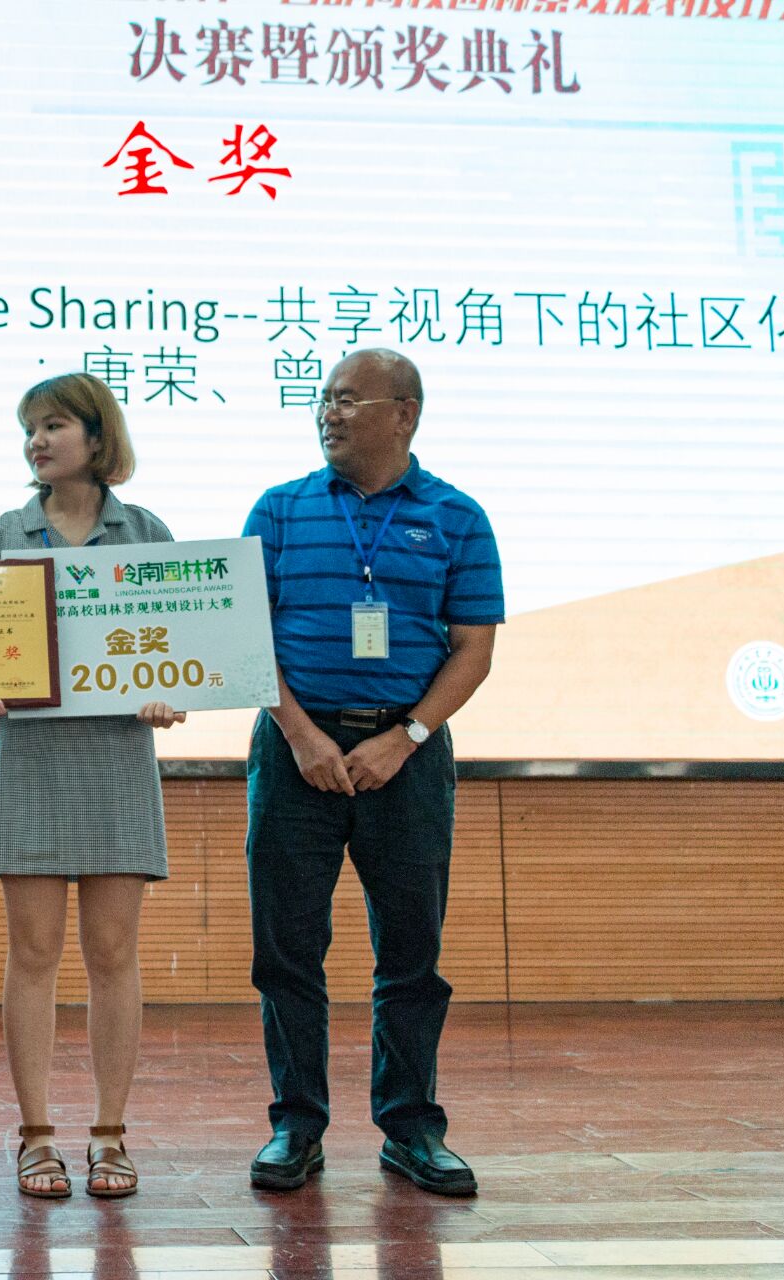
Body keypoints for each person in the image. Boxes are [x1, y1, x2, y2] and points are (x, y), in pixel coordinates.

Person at [240, 348, 503, 1197]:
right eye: (325, 399)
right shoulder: (279, 510)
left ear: (405, 413)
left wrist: (406, 737)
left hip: (408, 759)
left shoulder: (458, 517)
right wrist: (302, 735)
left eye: (350, 399)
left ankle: (412, 1128)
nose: (329, 412)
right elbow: (246, 639)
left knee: (412, 954)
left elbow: (473, 650)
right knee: (287, 952)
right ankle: (296, 1126)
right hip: (294, 754)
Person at [0, 372, 185, 1200]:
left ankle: (109, 1134)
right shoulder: (5, 534)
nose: (37, 441)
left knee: (114, 954)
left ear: (98, 437)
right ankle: (35, 1137)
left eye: (53, 425)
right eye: (30, 429)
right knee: (32, 953)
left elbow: (180, 649)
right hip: (31, 759)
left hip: (117, 759)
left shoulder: (146, 533)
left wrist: (170, 690)